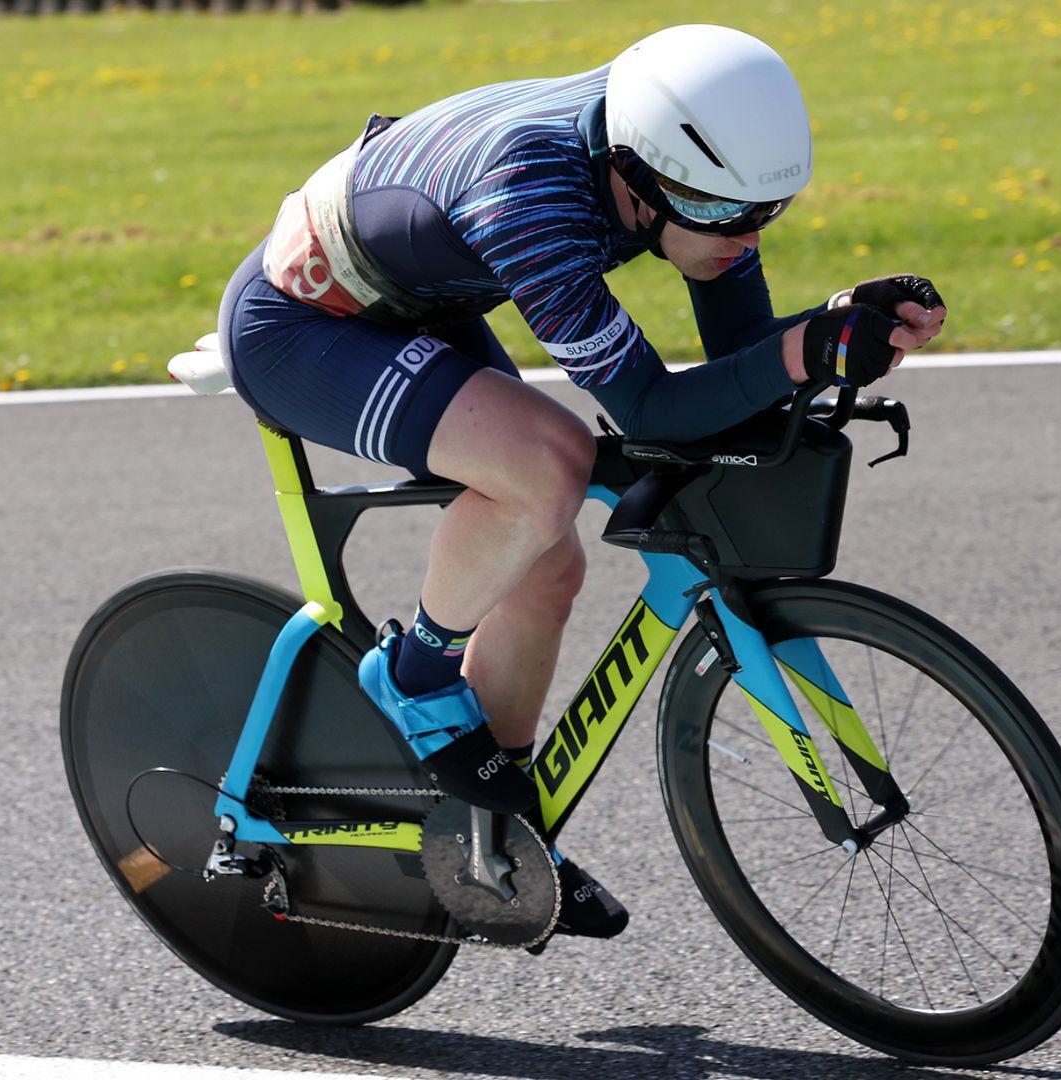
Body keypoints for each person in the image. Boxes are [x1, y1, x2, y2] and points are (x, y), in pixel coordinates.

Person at [216, 23, 947, 943]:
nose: (746, 237)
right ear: (637, 185)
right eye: (723, 217)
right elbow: (647, 407)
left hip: (412, 301)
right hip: (299, 331)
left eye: (769, 212)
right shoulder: (533, 195)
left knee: (547, 564)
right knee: (549, 466)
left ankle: (499, 837)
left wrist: (840, 322)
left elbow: (740, 354)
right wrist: (806, 351)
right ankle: (415, 672)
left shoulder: (680, 163)